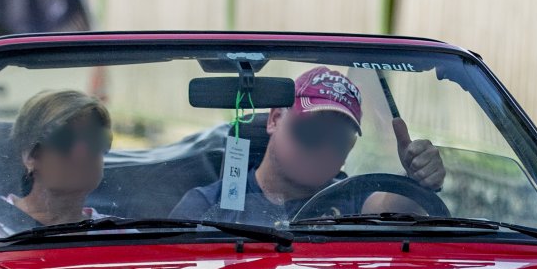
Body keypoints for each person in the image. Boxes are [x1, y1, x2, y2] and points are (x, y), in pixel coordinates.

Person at [170, 65, 444, 227]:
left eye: (339, 141)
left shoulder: (351, 201)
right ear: (275, 119)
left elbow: (392, 209)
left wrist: (416, 178)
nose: (324, 150)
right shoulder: (207, 206)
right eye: (310, 132)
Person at [0, 88, 113, 239]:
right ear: (30, 155)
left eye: (94, 139)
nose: (82, 152)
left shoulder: (120, 235)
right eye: (64, 138)